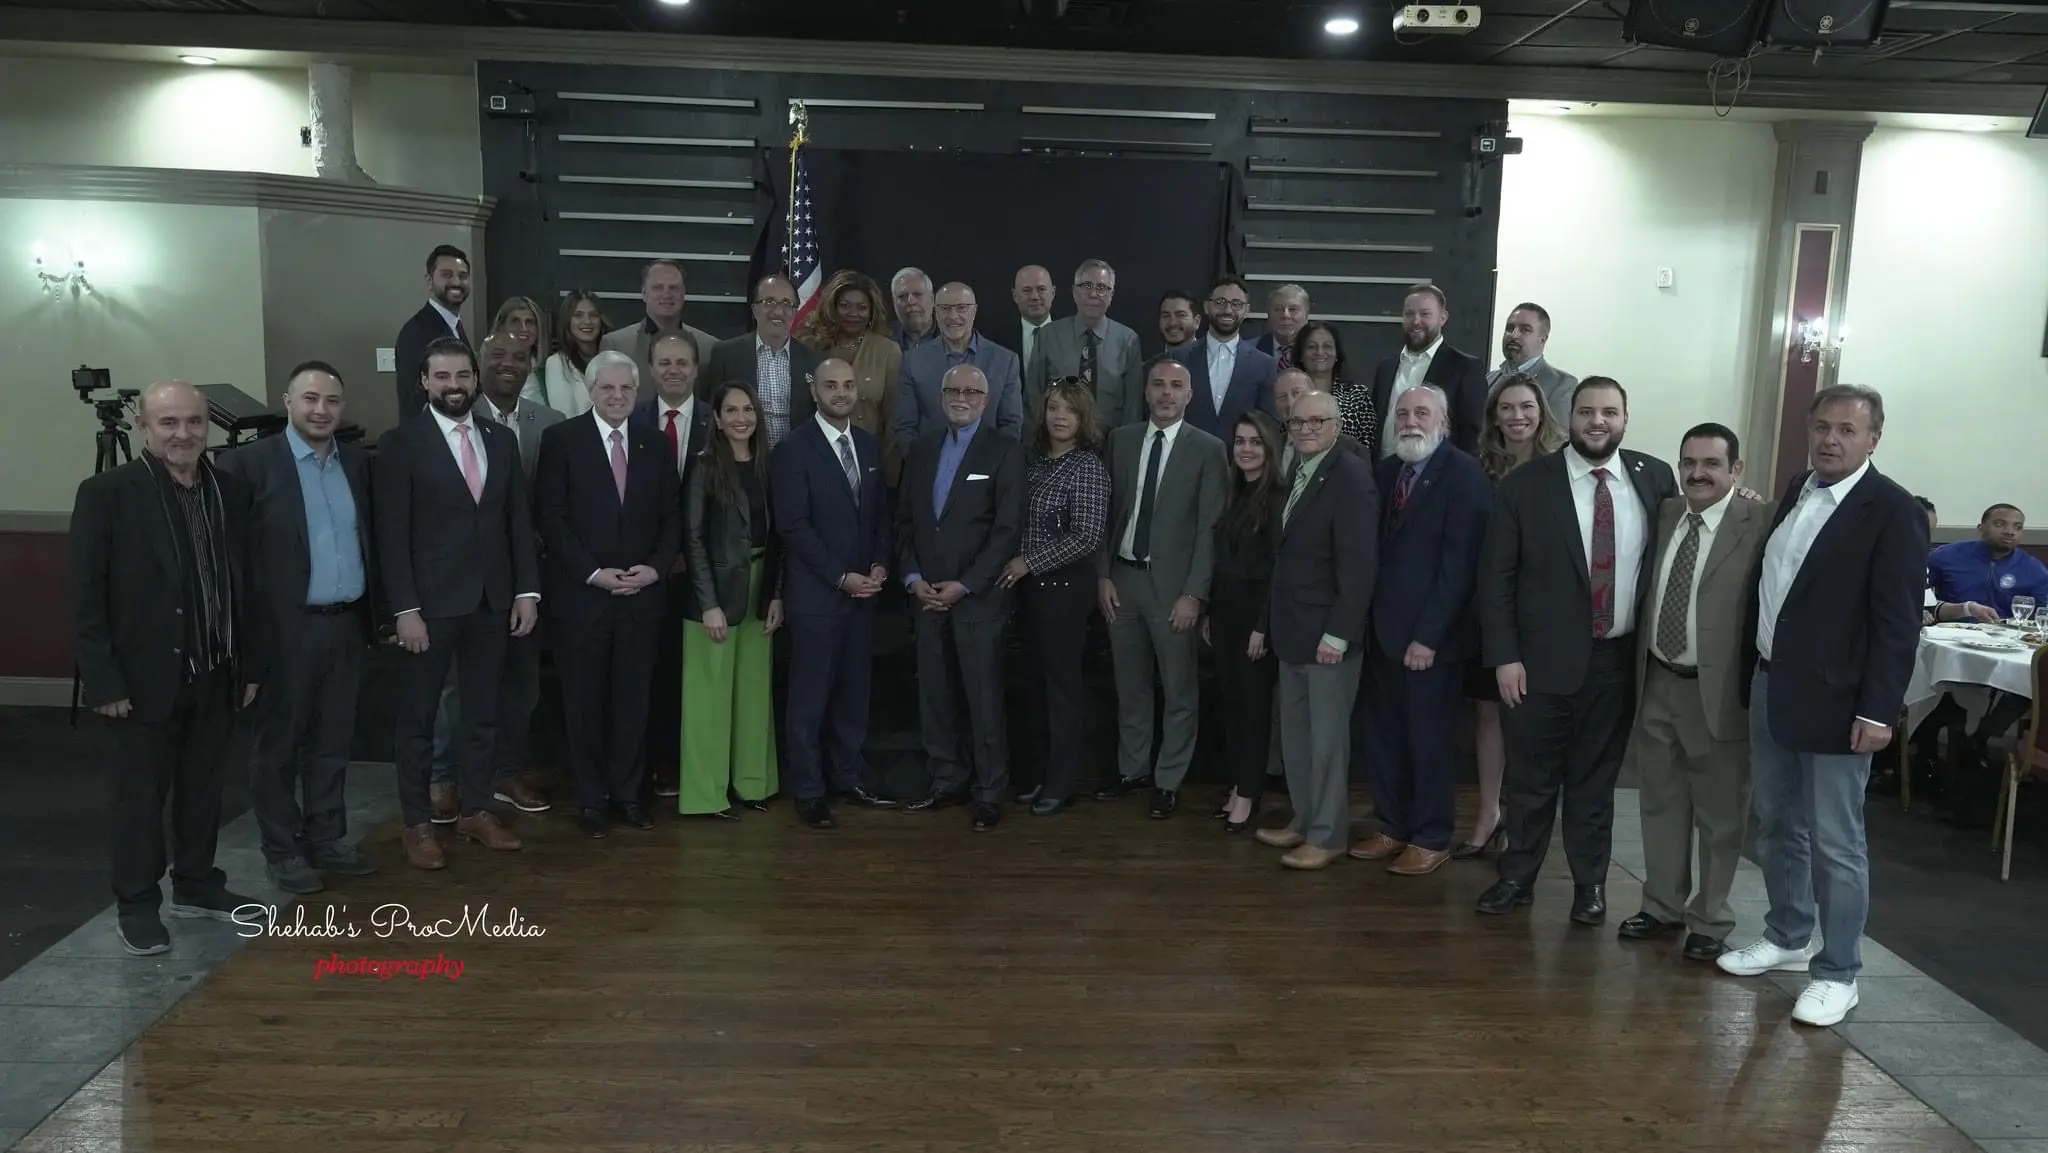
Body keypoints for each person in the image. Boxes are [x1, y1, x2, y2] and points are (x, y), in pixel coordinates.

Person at [1720, 384, 1927, 1028]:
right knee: (1777, 824)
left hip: (1842, 704)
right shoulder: (1797, 489)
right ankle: (1787, 935)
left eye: (1846, 430)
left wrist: (1879, 710)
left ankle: (1839, 971)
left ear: (1873, 439)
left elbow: (1897, 624)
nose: (1830, 439)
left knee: (1837, 842)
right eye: (1821, 427)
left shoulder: (1892, 510)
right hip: (1773, 685)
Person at [1475, 377, 1678, 922]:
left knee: (1595, 785)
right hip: (1536, 664)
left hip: (1617, 663)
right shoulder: (1527, 484)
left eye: (1609, 412)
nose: (1597, 421)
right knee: (1531, 781)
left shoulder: (1655, 478)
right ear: (1570, 418)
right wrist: (1504, 657)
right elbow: (1496, 578)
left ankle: (1591, 887)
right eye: (1587, 411)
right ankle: (1516, 878)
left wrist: (1743, 498)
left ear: (1625, 419)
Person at [70, 380, 261, 955]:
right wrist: (103, 681)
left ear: (208, 426)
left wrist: (249, 665)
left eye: (194, 422)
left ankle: (197, 883)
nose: (183, 433)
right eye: (169, 422)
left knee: (203, 791)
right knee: (139, 802)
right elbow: (85, 597)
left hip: (216, 671)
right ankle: (136, 903)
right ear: (144, 428)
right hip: (140, 681)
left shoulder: (229, 490)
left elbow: (245, 585)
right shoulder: (107, 494)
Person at [375, 337, 540, 869]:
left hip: (492, 601)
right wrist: (404, 609)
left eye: (462, 376)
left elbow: (517, 522)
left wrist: (526, 591)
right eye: (442, 377)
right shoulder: (401, 443)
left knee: (483, 715)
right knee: (419, 720)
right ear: (424, 382)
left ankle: (476, 810)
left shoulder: (500, 439)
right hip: (429, 608)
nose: (454, 386)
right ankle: (417, 824)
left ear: (475, 379)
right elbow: (390, 535)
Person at [216, 362, 376, 895]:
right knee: (278, 747)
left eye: (331, 401)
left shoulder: (358, 463)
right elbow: (233, 562)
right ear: (287, 402)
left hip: (345, 625)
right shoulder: (247, 465)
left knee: (332, 742)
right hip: (282, 631)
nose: (320, 410)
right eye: (310, 399)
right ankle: (282, 850)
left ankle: (326, 838)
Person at [1618, 422, 1774, 962]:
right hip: (1658, 680)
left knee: (1720, 815)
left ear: (1736, 470)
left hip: (1719, 691)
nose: (1698, 473)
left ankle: (1710, 918)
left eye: (1711, 464)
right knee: (1659, 804)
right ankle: (1661, 905)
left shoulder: (1761, 521)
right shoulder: (1664, 513)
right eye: (1689, 462)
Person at [533, 351, 681, 839]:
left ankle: (628, 796)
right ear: (591, 391)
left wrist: (655, 569)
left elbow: (672, 517)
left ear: (637, 392)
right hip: (584, 599)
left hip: (642, 598)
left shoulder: (655, 444)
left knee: (633, 704)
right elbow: (551, 518)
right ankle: (592, 800)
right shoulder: (562, 440)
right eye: (607, 388)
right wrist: (593, 573)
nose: (617, 396)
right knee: (584, 704)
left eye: (625, 388)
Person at [1357, 385, 1491, 876]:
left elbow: (1460, 568)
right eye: (1403, 413)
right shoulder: (1387, 471)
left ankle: (1432, 837)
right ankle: (1393, 826)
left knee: (1428, 742)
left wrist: (1429, 636)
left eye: (1422, 413)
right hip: (1382, 633)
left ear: (1445, 422)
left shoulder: (1465, 475)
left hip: (1430, 641)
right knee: (1385, 738)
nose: (1410, 421)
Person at [1095, 356, 1228, 818]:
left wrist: (1195, 594)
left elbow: (1210, 528)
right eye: (1158, 384)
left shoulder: (1209, 449)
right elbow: (1105, 513)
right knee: (1129, 684)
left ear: (1189, 395)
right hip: (1122, 580)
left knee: (1178, 689)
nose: (1166, 393)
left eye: (1175, 385)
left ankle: (1168, 780)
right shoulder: (1121, 440)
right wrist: (1102, 575)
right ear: (1146, 391)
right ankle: (1132, 770)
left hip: (1174, 589)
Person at [896, 364, 1028, 830]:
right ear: (940, 396)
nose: (961, 397)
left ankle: (989, 790)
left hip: (977, 598)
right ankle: (946, 780)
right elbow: (905, 520)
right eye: (953, 389)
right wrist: (913, 577)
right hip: (926, 595)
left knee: (982, 697)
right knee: (934, 695)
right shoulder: (922, 448)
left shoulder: (1005, 450)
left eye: (972, 391)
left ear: (985, 401)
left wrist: (966, 584)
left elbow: (1007, 529)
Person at [772, 358, 897, 829]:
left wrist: (881, 563)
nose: (841, 392)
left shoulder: (867, 444)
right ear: (814, 391)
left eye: (847, 385)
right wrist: (840, 576)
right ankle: (808, 789)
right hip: (817, 596)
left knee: (853, 691)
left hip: (864, 594)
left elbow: (880, 514)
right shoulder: (793, 449)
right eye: (831, 385)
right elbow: (793, 526)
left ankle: (846, 776)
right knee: (810, 697)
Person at [1255, 390, 1377, 869]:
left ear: (1336, 426)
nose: (1305, 429)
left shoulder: (1350, 476)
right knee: (1298, 738)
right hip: (1292, 629)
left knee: (1326, 744)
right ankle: (1305, 820)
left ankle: (1327, 836)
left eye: (1316, 422)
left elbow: (1359, 566)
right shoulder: (1299, 470)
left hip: (1328, 636)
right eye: (1297, 422)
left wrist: (1339, 633)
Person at [1455, 372, 1567, 858]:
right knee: (1487, 714)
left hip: (1542, 615)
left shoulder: (1564, 468)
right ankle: (1488, 814)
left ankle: (1524, 824)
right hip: (1489, 609)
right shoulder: (1479, 468)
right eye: (1507, 408)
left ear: (1542, 413)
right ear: (1493, 416)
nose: (1517, 416)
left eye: (1526, 407)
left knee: (1530, 721)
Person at [997, 377, 1110, 816]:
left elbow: (1087, 536)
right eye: (1054, 408)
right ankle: (1040, 775)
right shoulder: (1034, 462)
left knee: (1062, 687)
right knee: (1035, 686)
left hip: (1064, 590)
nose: (1060, 417)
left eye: (1070, 410)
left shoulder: (1087, 467)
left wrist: (1029, 561)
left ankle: (1062, 783)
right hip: (1028, 592)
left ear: (1084, 418)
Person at [680, 382, 784, 820]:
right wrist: (708, 603)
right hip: (715, 592)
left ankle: (752, 783)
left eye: (748, 410)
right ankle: (706, 795)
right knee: (709, 698)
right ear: (718, 420)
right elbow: (693, 539)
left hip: (760, 587)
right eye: (732, 411)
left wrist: (776, 594)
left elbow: (778, 536)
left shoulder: (767, 465)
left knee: (754, 693)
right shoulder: (703, 466)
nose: (741, 418)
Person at [632, 332, 712, 800]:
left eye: (683, 362)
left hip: (704, 572)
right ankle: (651, 762)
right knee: (652, 671)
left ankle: (690, 762)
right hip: (647, 569)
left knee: (693, 674)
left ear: (696, 368)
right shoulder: (633, 417)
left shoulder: (718, 420)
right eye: (665, 362)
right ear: (651, 369)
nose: (674, 370)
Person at [1207, 411, 1284, 834]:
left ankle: (1250, 793)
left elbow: (1277, 570)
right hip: (1225, 614)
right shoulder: (1236, 491)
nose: (1246, 449)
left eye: (1255, 442)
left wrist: (1262, 626)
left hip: (1255, 618)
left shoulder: (1276, 497)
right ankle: (1239, 785)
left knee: (1253, 709)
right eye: (1240, 441)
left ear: (1269, 448)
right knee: (1232, 705)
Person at [797, 268, 903, 475]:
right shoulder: (810, 345)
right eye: (845, 306)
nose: (853, 314)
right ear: (832, 307)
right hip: (814, 458)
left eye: (862, 307)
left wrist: (880, 464)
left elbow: (894, 419)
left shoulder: (887, 351)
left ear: (871, 312)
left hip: (868, 460)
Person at [703, 273, 827, 450]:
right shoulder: (725, 355)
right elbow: (713, 414)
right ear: (754, 310)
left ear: (794, 312)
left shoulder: (814, 361)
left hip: (796, 458)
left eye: (786, 303)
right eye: (769, 302)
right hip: (741, 456)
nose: (778, 311)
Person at [895, 282, 1026, 443]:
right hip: (929, 457)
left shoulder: (1005, 361)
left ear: (974, 311)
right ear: (935, 312)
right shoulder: (913, 360)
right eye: (945, 308)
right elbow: (905, 426)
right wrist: (923, 459)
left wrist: (994, 458)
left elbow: (1011, 424)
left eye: (961, 308)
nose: (953, 316)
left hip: (988, 457)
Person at [1369, 283, 1487, 457]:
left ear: (1443, 318)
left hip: (1440, 471)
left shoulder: (1465, 367)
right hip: (1384, 469)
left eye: (1425, 314)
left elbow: (1471, 436)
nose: (1416, 321)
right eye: (1409, 314)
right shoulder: (1386, 367)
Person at [1025, 259, 1144, 425]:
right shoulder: (1049, 335)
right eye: (1086, 286)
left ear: (1111, 295)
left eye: (1101, 287)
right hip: (1057, 436)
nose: (1093, 294)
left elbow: (1133, 405)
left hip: (1111, 437)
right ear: (1074, 292)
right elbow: (1033, 396)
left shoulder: (1128, 340)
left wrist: (1126, 440)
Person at [1175, 274, 1276, 440]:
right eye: (1220, 302)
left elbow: (1266, 426)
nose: (1228, 310)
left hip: (1241, 455)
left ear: (1247, 310)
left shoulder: (1265, 365)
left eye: (1236, 304)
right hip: (1188, 453)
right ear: (1207, 306)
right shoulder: (1179, 359)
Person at [599, 259, 719, 384]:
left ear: (683, 294)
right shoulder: (616, 346)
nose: (666, 294)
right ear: (644, 294)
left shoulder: (709, 348)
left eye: (673, 288)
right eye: (658, 287)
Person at [1927, 503, 2048, 621]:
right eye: (1999, 524)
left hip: (2006, 632)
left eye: (2017, 527)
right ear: (1981, 529)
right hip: (1948, 630)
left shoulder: (2034, 570)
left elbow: (2041, 614)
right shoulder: (1944, 556)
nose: (2010, 532)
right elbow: (1920, 598)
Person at [393, 244, 471, 419]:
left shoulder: (456, 327)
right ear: (429, 281)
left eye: (462, 276)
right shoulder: (415, 332)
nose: (456, 282)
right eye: (447, 275)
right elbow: (417, 397)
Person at [1293, 321, 1377, 450]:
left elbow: (1367, 445)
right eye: (1311, 347)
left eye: (1327, 346)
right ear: (1301, 355)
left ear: (1337, 353)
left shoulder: (1358, 395)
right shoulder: (1291, 395)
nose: (1319, 352)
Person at [1489, 302, 1579, 421]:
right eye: (1509, 328)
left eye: (1525, 330)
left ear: (1543, 339)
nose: (1514, 335)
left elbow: (1557, 432)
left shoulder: (1562, 385)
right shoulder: (1489, 379)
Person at [533, 289, 612, 417]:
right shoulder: (557, 363)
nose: (587, 321)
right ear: (568, 321)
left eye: (593, 315)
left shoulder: (612, 359)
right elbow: (563, 416)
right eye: (578, 315)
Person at [490, 295, 549, 401]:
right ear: (501, 326)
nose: (524, 328)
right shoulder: (485, 366)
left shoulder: (547, 370)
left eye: (529, 322)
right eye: (515, 321)